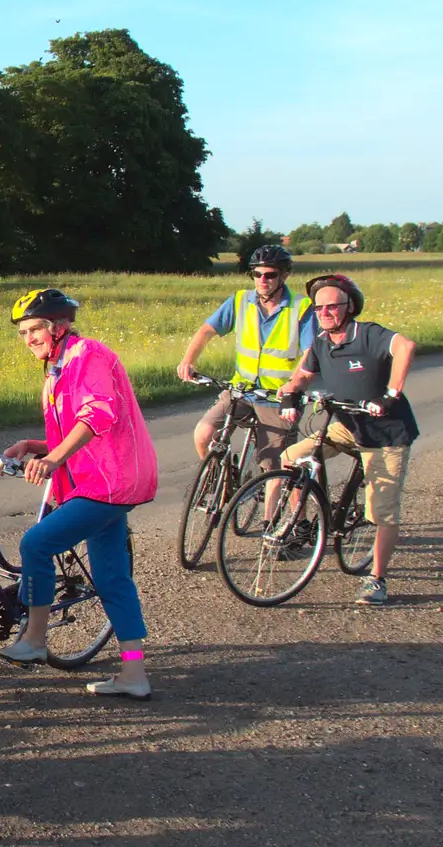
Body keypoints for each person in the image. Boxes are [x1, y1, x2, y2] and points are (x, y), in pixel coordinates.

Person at [0, 289, 159, 699]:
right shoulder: (58, 364)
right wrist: (38, 446)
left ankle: (35, 639)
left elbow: (99, 413)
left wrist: (52, 459)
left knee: (36, 543)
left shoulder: (88, 355)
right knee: (111, 576)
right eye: (22, 332)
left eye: (35, 329)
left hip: (107, 481)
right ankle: (134, 674)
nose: (28, 338)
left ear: (58, 327)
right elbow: (72, 427)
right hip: (103, 480)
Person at [276, 274, 418, 606]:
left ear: (349, 306)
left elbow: (406, 347)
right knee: (292, 457)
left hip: (385, 433)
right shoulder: (323, 343)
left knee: (382, 511)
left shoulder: (368, 334)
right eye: (319, 307)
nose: (324, 312)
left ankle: (377, 580)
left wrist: (391, 395)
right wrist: (290, 396)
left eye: (332, 306)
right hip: (347, 425)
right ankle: (311, 518)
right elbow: (302, 375)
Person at [176, 243, 312, 474]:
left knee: (274, 469)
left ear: (285, 275)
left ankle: (294, 509)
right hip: (241, 390)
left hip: (276, 399)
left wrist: (293, 385)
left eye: (270, 275)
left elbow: (311, 353)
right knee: (204, 433)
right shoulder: (241, 301)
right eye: (257, 274)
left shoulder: (301, 308)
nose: (262, 280)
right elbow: (207, 330)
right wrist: (188, 360)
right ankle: (220, 478)